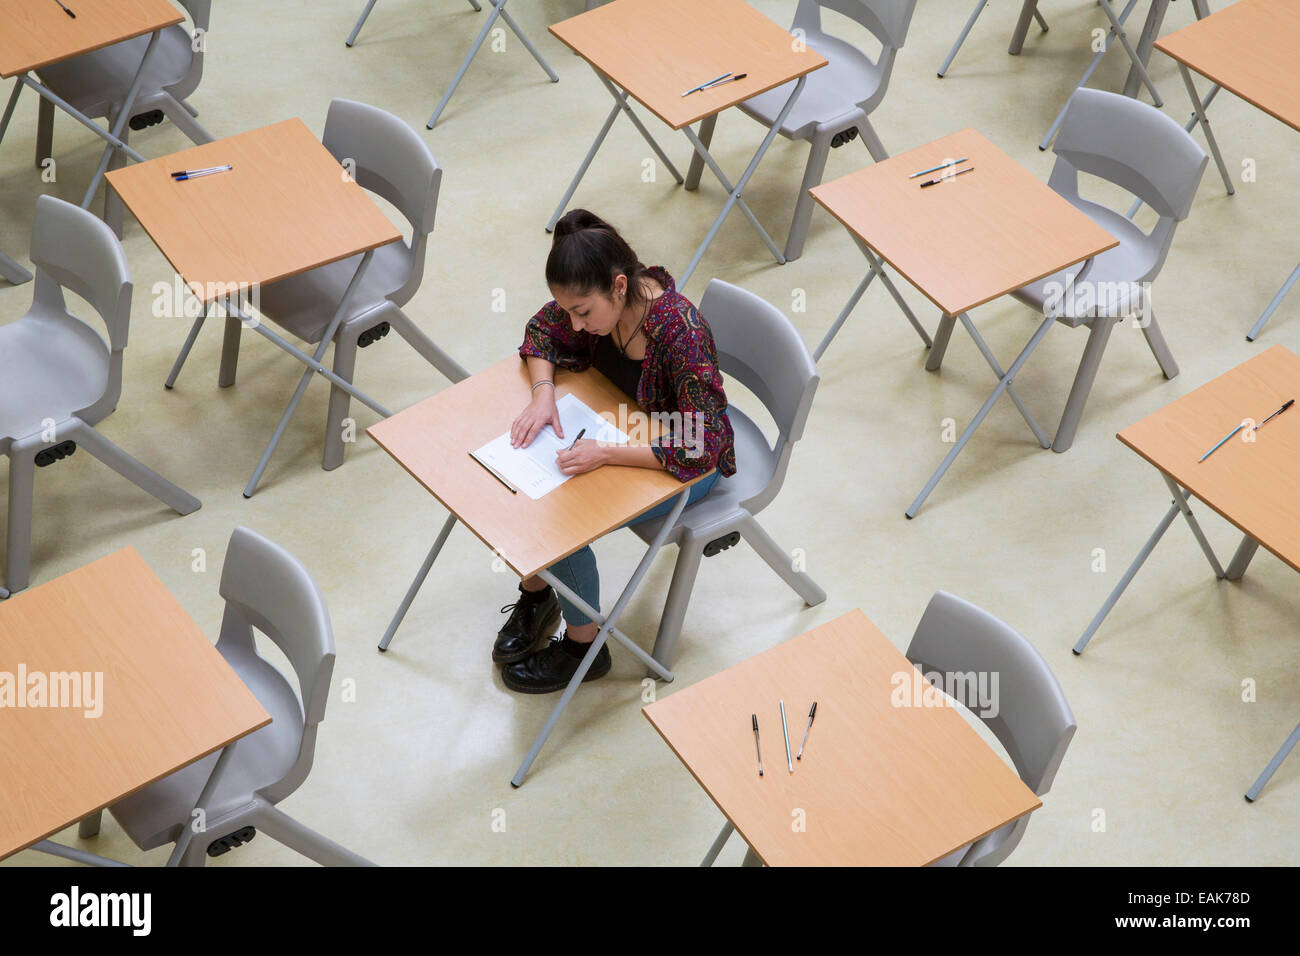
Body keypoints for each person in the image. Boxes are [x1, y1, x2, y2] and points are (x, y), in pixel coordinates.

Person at [495, 209, 736, 693]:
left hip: (686, 464)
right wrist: (543, 392)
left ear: (620, 286)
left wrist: (606, 453)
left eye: (583, 313)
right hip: (628, 426)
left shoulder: (678, 333)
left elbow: (702, 446)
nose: (575, 325)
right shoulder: (598, 304)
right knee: (532, 486)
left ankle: (586, 648)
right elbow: (542, 330)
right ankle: (540, 592)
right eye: (569, 311)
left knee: (565, 515)